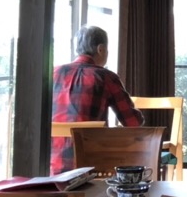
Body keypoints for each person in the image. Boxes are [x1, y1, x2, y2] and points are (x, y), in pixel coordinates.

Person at [50, 25, 144, 173]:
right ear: (101, 49)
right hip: (91, 168)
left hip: (51, 165)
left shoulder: (53, 73)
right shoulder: (106, 77)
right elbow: (133, 123)